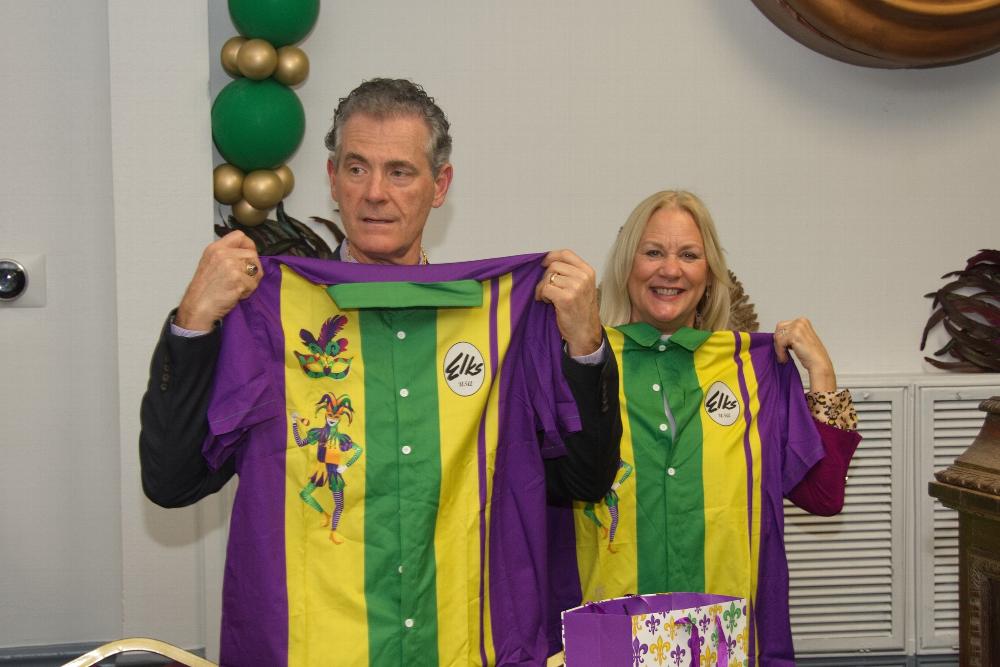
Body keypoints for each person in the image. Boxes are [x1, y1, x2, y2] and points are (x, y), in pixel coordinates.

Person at [140, 78, 620, 666]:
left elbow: (586, 480)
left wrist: (585, 344)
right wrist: (194, 321)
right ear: (332, 177)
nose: (374, 194)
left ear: (439, 185)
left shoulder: (506, 325)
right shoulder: (268, 316)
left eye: (400, 172)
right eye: (357, 168)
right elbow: (171, 481)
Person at [551, 190, 861, 666]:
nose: (670, 270)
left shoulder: (753, 373)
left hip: (725, 644)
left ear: (710, 273)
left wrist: (821, 372)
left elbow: (823, 496)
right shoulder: (580, 365)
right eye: (653, 252)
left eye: (689, 255)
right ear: (626, 266)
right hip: (605, 641)